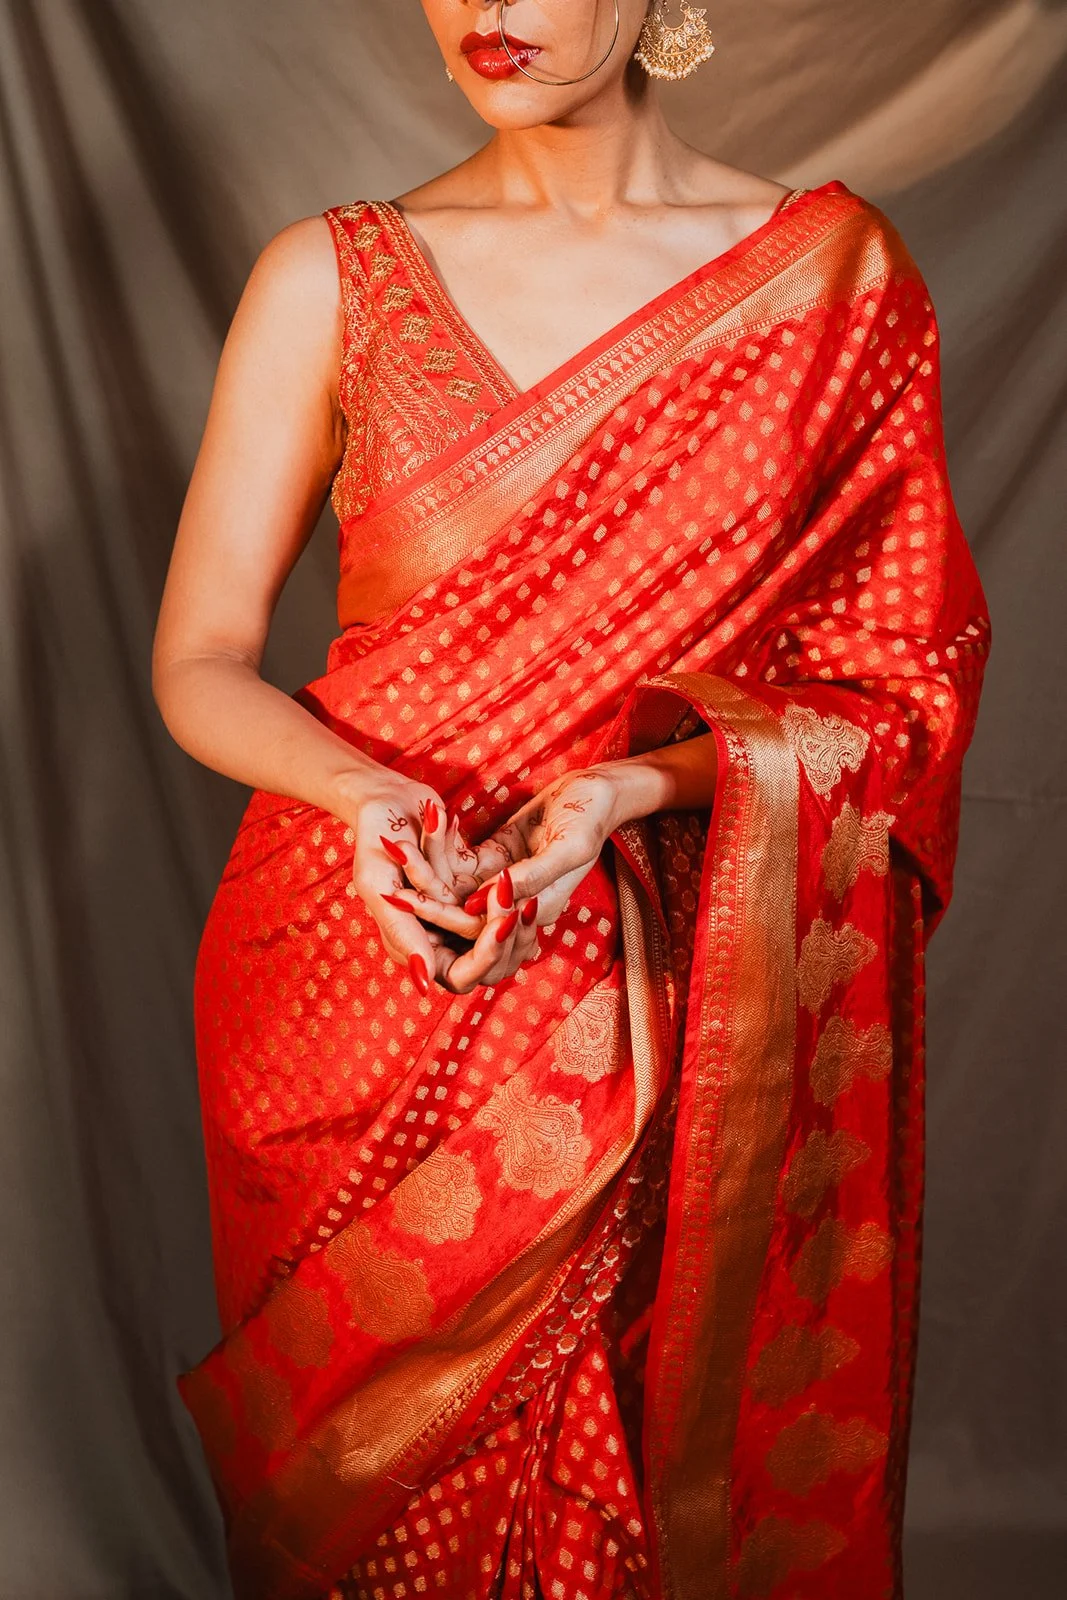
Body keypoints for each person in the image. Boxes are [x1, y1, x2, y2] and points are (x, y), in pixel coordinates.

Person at [151, 3, 990, 1596]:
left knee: (618, 1496)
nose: (492, 7)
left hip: (676, 967)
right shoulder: (328, 275)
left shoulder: (830, 285)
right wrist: (371, 798)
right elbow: (198, 659)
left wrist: (629, 788)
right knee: (373, 1514)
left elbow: (898, 692)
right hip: (363, 953)